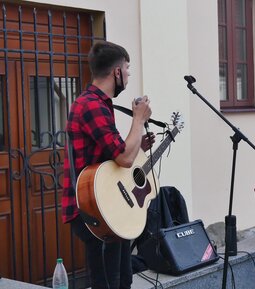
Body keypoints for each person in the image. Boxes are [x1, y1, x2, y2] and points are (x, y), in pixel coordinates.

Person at [62, 40, 155, 289]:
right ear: (116, 72)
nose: (128, 74)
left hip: (108, 203)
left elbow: (111, 156)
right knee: (108, 283)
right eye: (127, 68)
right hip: (93, 208)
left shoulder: (100, 104)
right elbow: (123, 158)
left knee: (124, 280)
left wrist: (139, 146)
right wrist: (137, 120)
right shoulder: (91, 105)